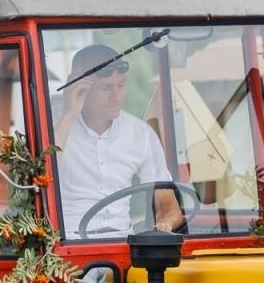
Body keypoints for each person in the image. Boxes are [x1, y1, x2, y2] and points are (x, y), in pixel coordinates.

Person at [54, 43, 183, 238]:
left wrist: (164, 224)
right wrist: (69, 114)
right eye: (105, 88)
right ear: (78, 85)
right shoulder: (53, 127)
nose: (116, 96)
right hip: (67, 245)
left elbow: (169, 208)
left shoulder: (141, 134)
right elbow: (40, 175)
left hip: (122, 244)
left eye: (121, 85)